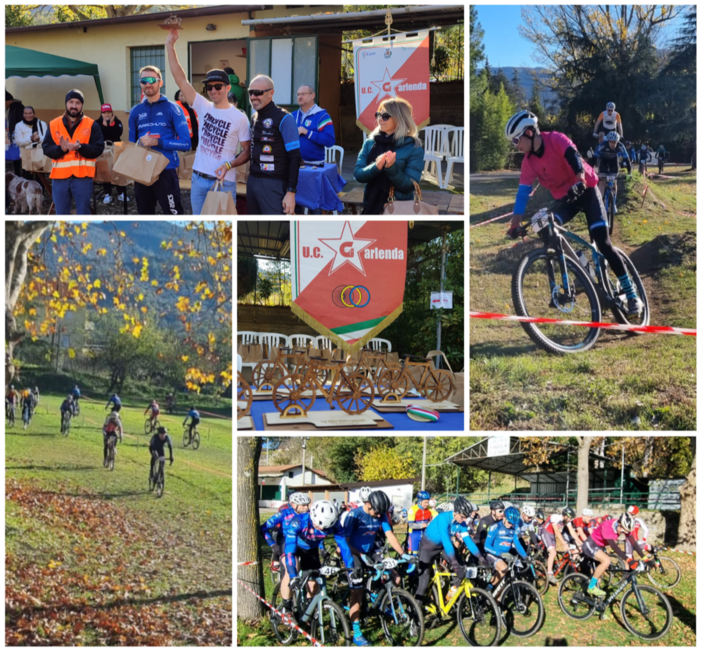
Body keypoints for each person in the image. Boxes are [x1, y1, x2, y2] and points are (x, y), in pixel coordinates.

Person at [504, 109, 643, 317]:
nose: (516, 146)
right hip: (566, 200)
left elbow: (574, 157)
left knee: (602, 242)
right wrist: (514, 225)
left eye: (516, 140)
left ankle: (632, 294)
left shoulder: (556, 140)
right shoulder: (528, 163)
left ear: (530, 133)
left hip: (586, 190)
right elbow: (522, 194)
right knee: (544, 225)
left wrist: (580, 179)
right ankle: (581, 267)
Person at [166, 32, 251, 216]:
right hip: (198, 179)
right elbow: (180, 79)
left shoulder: (240, 117)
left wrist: (229, 165)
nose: (213, 90)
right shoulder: (203, 106)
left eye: (218, 86)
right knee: (200, 229)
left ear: (228, 88)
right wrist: (170, 46)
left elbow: (247, 151)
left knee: (224, 231)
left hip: (223, 182)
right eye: (209, 87)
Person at [344, 490, 412, 646]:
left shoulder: (380, 514)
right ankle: (357, 632)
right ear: (368, 504)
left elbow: (390, 535)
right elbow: (344, 543)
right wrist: (360, 555)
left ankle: (380, 600)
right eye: (376, 512)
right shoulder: (354, 515)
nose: (377, 516)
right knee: (357, 594)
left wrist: (402, 554)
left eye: (381, 513)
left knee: (396, 577)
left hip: (372, 550)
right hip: (354, 552)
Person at [128, 64, 190, 215]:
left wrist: (158, 142)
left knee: (174, 215)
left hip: (165, 170)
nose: (148, 84)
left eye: (151, 80)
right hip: (143, 171)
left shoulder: (172, 108)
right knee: (145, 216)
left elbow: (186, 143)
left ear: (160, 83)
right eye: (143, 81)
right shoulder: (135, 111)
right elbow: (131, 146)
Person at [354, 97, 424, 215]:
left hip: (399, 208)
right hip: (371, 205)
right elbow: (358, 174)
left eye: (385, 116)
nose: (380, 119)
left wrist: (391, 168)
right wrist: (375, 167)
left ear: (399, 118)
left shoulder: (414, 147)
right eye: (378, 115)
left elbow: (409, 186)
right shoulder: (370, 142)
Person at [243, 75, 301, 215]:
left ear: (271, 93)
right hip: (253, 181)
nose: (253, 96)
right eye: (251, 92)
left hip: (274, 183)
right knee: (254, 227)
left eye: (258, 93)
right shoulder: (254, 117)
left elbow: (295, 157)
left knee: (275, 229)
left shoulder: (285, 118)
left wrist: (291, 191)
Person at [414, 497, 487, 608]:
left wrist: (482, 559)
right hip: (427, 547)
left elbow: (469, 542)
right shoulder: (443, 518)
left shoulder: (462, 523)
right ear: (455, 512)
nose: (463, 520)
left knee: (462, 569)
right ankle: (415, 613)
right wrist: (454, 563)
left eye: (465, 517)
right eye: (462, 517)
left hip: (442, 547)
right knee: (424, 582)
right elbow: (446, 541)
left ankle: (447, 600)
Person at [42, 89, 104, 215]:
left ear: (82, 105)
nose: (74, 106)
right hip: (59, 178)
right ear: (66, 104)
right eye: (71, 102)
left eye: (78, 103)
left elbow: (98, 149)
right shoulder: (54, 124)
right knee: (61, 215)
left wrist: (80, 147)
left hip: (83, 178)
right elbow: (46, 148)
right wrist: (61, 149)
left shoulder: (92, 125)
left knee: (83, 214)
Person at [582, 512, 651, 598]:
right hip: (590, 544)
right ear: (619, 523)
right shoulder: (607, 526)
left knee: (598, 578)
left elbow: (633, 542)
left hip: (599, 546)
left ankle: (594, 604)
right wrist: (628, 560)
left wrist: (644, 558)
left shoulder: (623, 526)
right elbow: (614, 546)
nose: (624, 532)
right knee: (606, 560)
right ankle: (590, 587)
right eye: (623, 530)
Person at [260, 492, 310, 574]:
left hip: (303, 541)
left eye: (307, 505)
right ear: (293, 504)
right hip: (285, 539)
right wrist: (273, 545)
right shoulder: (284, 513)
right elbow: (263, 528)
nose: (306, 508)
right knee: (291, 569)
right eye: (303, 505)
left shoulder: (311, 514)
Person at [484, 505, 528, 590]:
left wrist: (525, 557)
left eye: (513, 523)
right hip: (493, 554)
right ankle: (487, 590)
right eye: (509, 522)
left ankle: (497, 601)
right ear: (504, 517)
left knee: (506, 580)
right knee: (504, 568)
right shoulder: (495, 527)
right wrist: (500, 553)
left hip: (504, 556)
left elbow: (517, 544)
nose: (510, 525)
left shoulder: (513, 528)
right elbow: (486, 546)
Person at [292, 85, 336, 166]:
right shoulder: (292, 116)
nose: (300, 97)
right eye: (298, 94)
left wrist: (307, 132)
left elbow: (330, 141)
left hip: (315, 164)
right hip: (294, 163)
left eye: (303, 94)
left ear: (312, 95)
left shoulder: (322, 116)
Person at [95, 103, 127, 204]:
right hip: (103, 150)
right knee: (105, 171)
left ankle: (121, 193)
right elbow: (99, 136)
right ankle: (107, 193)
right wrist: (104, 125)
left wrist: (112, 124)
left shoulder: (117, 122)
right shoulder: (97, 123)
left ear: (112, 112)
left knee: (118, 170)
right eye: (104, 112)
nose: (107, 114)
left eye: (108, 112)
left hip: (116, 149)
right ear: (101, 113)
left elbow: (117, 134)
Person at [593, 131, 630, 208]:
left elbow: (627, 159)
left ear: (618, 141)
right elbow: (594, 157)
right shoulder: (602, 145)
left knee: (614, 182)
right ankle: (599, 203)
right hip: (603, 162)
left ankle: (614, 203)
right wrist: (591, 170)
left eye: (615, 142)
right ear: (608, 141)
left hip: (614, 163)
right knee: (602, 182)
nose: (613, 144)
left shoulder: (620, 146)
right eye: (611, 142)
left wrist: (629, 172)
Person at [14, 105, 48, 180]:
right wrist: (31, 139)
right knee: (27, 179)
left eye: (30, 113)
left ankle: (40, 191)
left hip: (40, 154)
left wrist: (38, 139)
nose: (28, 115)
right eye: (26, 113)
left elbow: (46, 139)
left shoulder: (42, 124)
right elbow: (18, 142)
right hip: (26, 155)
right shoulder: (19, 126)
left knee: (41, 179)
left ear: (34, 114)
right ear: (23, 114)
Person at [6, 94, 24, 177]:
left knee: (19, 157)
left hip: (20, 136)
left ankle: (20, 175)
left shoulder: (17, 107)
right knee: (16, 157)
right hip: (15, 136)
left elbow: (22, 122)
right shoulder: (13, 107)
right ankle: (18, 174)